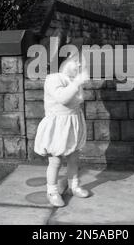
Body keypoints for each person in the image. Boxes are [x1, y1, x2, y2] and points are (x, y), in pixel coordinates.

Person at [34, 50, 90, 207]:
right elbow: (63, 98)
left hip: (72, 124)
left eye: (81, 62)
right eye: (75, 60)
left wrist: (77, 82)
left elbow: (78, 101)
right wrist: (77, 83)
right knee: (55, 161)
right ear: (61, 63)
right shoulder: (53, 79)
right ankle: (52, 191)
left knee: (73, 158)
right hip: (57, 127)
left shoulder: (72, 79)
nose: (79, 64)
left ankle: (74, 186)